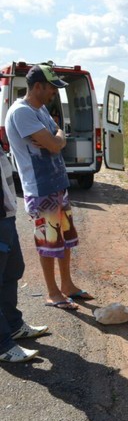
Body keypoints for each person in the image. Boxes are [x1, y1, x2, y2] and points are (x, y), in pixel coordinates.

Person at [4, 64, 93, 310]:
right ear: (38, 86)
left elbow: (57, 136)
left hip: (57, 183)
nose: (55, 92)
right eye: (52, 88)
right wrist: (55, 140)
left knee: (64, 238)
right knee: (48, 242)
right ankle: (53, 292)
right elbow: (54, 145)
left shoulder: (40, 108)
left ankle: (67, 285)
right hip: (40, 187)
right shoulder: (21, 112)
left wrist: (57, 137)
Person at [0, 83, 49, 361]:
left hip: (6, 212)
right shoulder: (19, 113)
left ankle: (14, 326)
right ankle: (3, 345)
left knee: (12, 270)